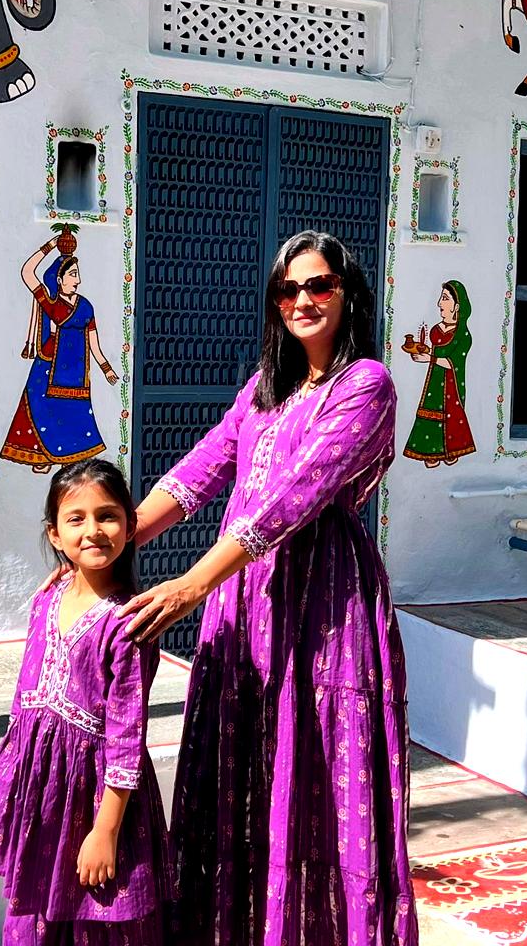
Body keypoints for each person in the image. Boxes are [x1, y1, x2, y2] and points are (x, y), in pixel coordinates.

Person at [119, 231, 418, 946]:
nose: (302, 301)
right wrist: (106, 543)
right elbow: (197, 474)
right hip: (244, 605)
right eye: (288, 290)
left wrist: (191, 584)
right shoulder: (263, 389)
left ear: (348, 295)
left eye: (319, 286)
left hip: (324, 609)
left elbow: (292, 498)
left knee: (316, 769)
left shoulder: (366, 384)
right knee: (240, 766)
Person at [0, 459, 172, 945]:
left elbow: (126, 736)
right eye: (76, 519)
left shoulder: (130, 623)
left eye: (108, 516)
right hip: (42, 789)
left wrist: (106, 831)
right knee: (38, 912)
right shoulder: (47, 597)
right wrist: (12, 782)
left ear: (130, 527)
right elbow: (26, 701)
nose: (93, 530)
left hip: (97, 794)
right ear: (54, 534)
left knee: (99, 913)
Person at [1, 239, 119, 474]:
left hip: (76, 371)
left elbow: (93, 340)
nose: (78, 280)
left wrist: (106, 367)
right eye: (73, 274)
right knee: (42, 412)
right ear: (59, 279)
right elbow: (27, 272)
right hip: (48, 366)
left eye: (77, 274)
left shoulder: (85, 306)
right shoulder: (50, 303)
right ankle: (44, 455)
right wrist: (50, 245)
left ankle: (68, 456)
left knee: (74, 415)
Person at [403, 280, 476, 468]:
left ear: (456, 306)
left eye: (444, 298)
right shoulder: (437, 330)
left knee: (450, 417)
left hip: (451, 384)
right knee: (430, 412)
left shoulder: (463, 335)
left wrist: (429, 359)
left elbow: (453, 363)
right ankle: (431, 452)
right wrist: (422, 351)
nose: (439, 304)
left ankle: (449, 451)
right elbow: (435, 352)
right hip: (434, 380)